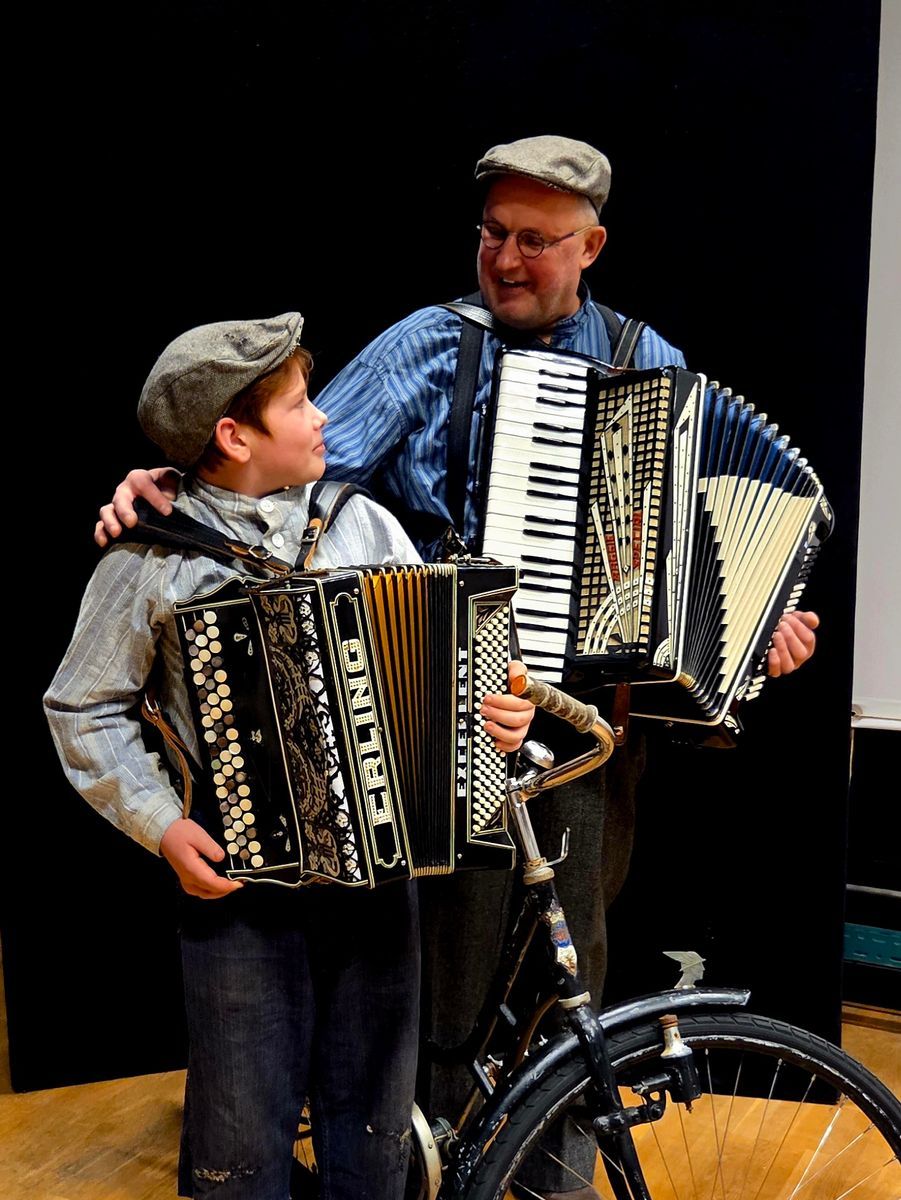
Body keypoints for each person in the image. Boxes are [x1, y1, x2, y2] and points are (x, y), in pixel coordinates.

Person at [94, 137, 818, 1199]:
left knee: (569, 969)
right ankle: (425, 1168)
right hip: (439, 710)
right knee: (443, 984)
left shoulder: (646, 361)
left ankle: (547, 1176)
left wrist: (766, 630)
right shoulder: (428, 345)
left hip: (577, 729)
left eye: (537, 241)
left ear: (592, 247)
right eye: (494, 235)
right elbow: (276, 476)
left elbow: (707, 539)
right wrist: (170, 478)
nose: (509, 260)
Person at [45, 312, 534, 1200]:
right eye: (301, 403)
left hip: (383, 885)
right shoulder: (154, 561)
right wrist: (162, 826)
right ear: (232, 436)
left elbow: (452, 664)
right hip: (243, 894)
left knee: (376, 1120)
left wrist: (488, 718)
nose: (323, 420)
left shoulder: (362, 523)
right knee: (241, 1128)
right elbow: (82, 706)